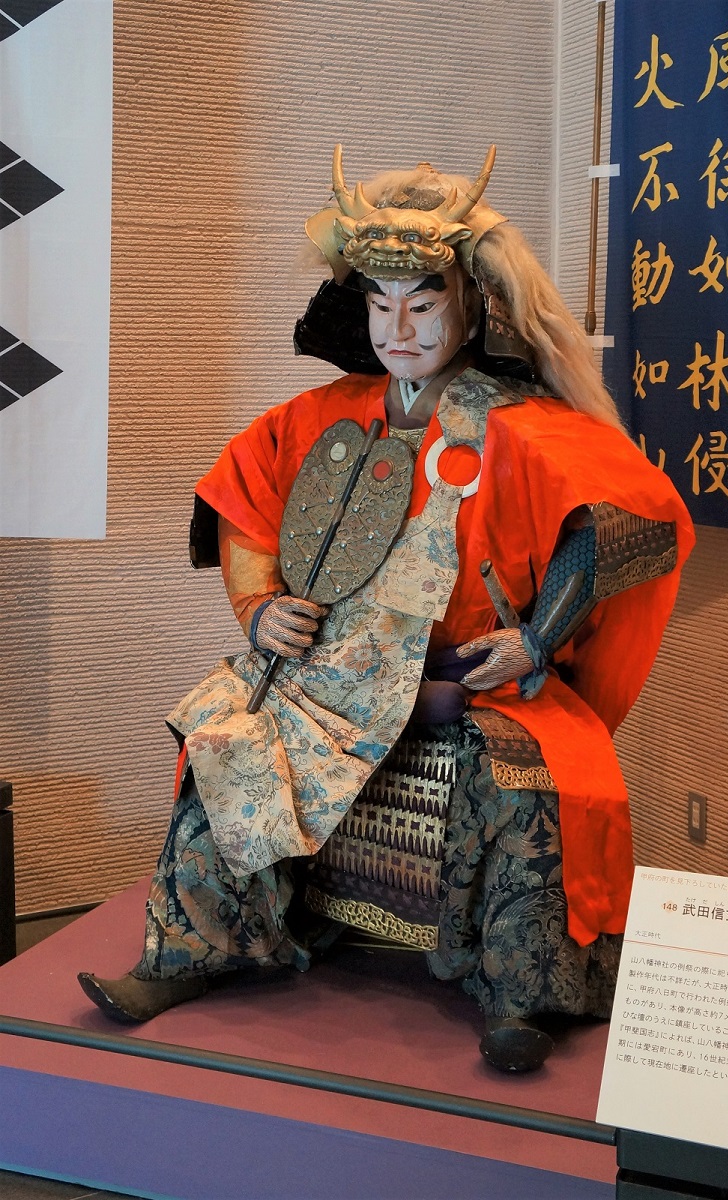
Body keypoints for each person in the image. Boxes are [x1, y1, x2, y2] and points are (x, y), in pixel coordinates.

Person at [79, 146, 694, 1072]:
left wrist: (535, 639)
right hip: (332, 674)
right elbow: (242, 493)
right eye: (378, 302)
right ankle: (195, 949)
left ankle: (520, 995)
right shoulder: (325, 413)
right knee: (227, 734)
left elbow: (619, 518)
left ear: (472, 305)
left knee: (532, 783)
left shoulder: (521, 424)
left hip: (471, 687)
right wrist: (256, 607)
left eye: (423, 302)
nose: (397, 327)